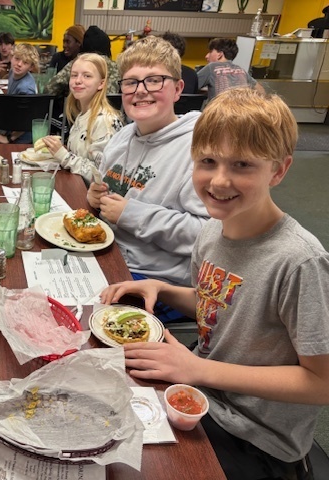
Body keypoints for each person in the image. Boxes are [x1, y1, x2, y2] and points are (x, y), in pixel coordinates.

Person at [100, 88, 329, 480]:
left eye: (242, 164)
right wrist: (164, 289)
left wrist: (198, 370)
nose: (219, 180)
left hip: (258, 438)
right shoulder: (211, 233)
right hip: (200, 396)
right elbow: (223, 305)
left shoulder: (299, 261)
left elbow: (320, 382)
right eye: (208, 161)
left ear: (278, 170)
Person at [87, 36, 209, 309]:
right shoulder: (120, 140)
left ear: (178, 89)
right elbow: (112, 196)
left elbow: (208, 234)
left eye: (154, 80)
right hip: (108, 256)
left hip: (158, 282)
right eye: (131, 82)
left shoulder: (200, 152)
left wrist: (132, 215)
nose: (140, 90)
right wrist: (95, 198)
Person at [39, 53, 124, 184]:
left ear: (101, 84)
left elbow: (103, 175)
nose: (78, 80)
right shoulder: (81, 115)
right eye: (74, 75)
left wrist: (63, 155)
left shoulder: (105, 121)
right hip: (74, 186)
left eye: (87, 76)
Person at [44, 26, 121, 137]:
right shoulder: (117, 67)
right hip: (114, 121)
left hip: (82, 120)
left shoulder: (79, 64)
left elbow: (49, 89)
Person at [0, 43, 40, 145]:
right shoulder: (13, 72)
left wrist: (8, 139)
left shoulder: (26, 89)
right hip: (12, 124)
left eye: (25, 62)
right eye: (17, 58)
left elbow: (27, 120)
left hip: (21, 136)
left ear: (31, 67)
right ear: (11, 57)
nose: (19, 64)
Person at [197, 37, 262, 101]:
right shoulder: (241, 70)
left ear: (220, 54)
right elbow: (261, 91)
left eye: (211, 52)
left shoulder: (212, 67)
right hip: (242, 110)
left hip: (219, 110)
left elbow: (190, 85)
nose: (207, 56)